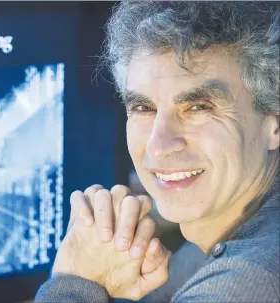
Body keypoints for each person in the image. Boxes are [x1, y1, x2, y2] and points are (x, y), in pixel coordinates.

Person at [35, 1, 279, 302]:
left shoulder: (247, 282)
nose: (159, 146)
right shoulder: (214, 242)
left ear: (274, 123)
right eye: (142, 107)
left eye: (199, 107)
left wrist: (74, 283)